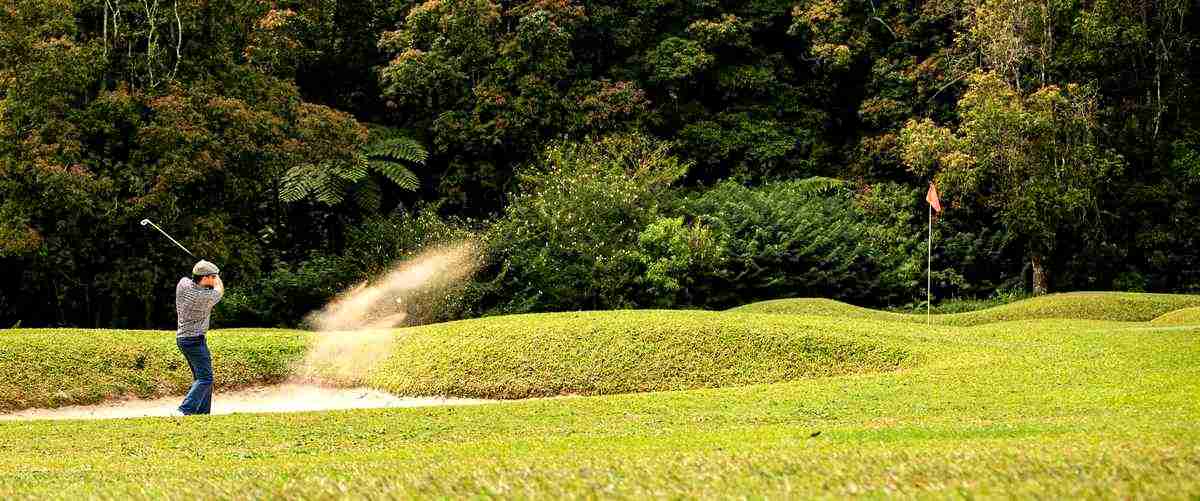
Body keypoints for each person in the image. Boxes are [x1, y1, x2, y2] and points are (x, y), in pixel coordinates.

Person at [174, 260, 224, 416]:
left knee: (201, 377)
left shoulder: (183, 285)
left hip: (183, 339)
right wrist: (216, 276)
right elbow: (220, 290)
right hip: (194, 340)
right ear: (205, 278)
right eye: (213, 276)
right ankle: (184, 410)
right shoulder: (204, 297)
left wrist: (202, 265)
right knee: (206, 378)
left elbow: (189, 278)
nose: (215, 278)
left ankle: (202, 413)